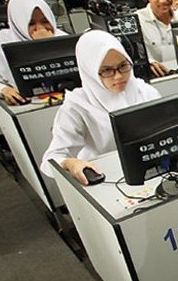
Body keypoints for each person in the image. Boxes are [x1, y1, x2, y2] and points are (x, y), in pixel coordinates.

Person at [41, 30, 160, 185]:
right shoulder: (77, 106)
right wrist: (69, 163)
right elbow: (49, 160)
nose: (118, 76)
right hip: (106, 180)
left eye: (123, 65)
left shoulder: (145, 91)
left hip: (151, 170)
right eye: (107, 70)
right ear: (90, 71)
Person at [0, 0, 67, 105]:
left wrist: (49, 45)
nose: (40, 28)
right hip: (24, 104)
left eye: (45, 21)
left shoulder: (63, 38)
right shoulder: (3, 41)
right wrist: (3, 90)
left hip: (65, 100)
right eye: (31, 23)